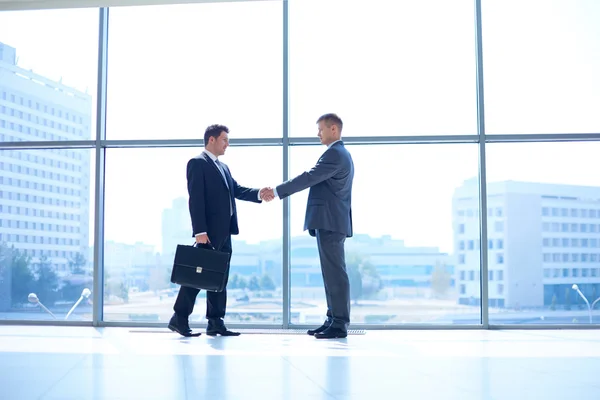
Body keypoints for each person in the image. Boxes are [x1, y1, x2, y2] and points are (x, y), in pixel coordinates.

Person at [168, 124, 273, 337]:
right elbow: (195, 199)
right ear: (212, 140)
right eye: (225, 140)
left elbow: (236, 189)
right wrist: (200, 230)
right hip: (208, 232)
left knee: (219, 278)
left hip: (225, 232)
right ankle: (179, 318)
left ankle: (215, 322)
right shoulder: (197, 163)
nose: (228, 144)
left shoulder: (223, 167)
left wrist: (259, 193)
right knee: (197, 277)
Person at [263, 113, 354, 339]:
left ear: (334, 129)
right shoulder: (338, 153)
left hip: (331, 222)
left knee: (335, 274)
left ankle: (340, 323)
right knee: (330, 273)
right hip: (330, 222)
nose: (318, 134)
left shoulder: (335, 154)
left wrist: (276, 191)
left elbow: (309, 177)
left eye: (320, 129)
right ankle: (332, 319)